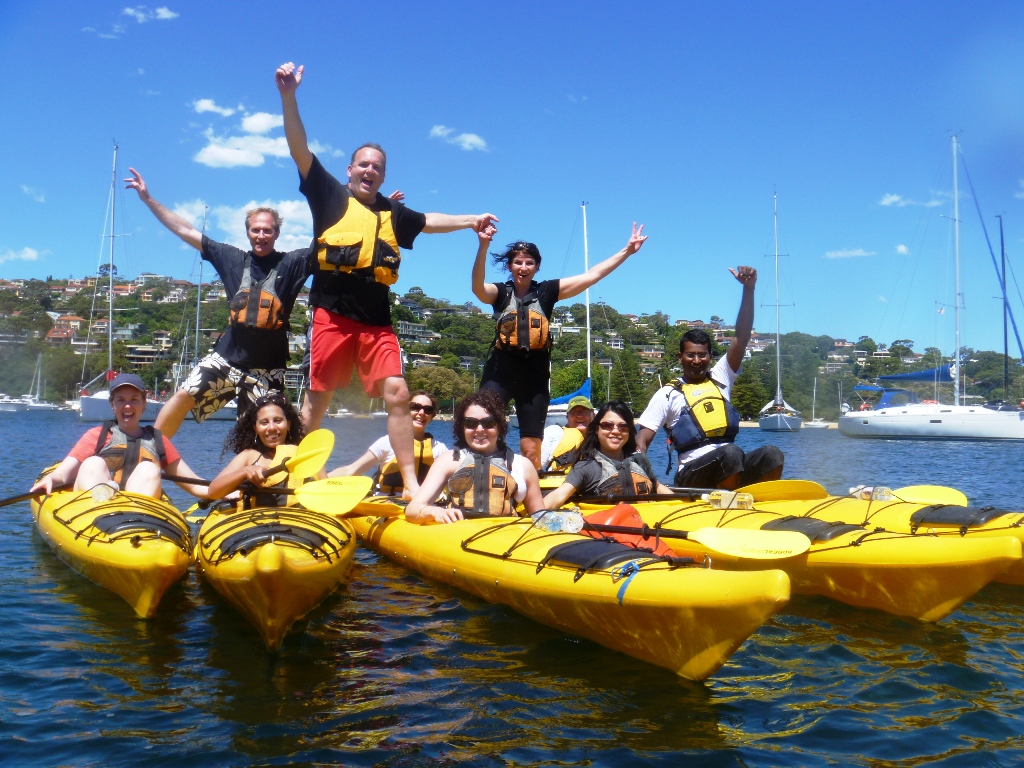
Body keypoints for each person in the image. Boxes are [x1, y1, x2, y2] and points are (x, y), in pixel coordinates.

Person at [276, 62, 497, 496]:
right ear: (350, 169)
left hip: (376, 321)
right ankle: (295, 474)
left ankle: (413, 486)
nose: (369, 171)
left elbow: (431, 220)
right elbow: (298, 147)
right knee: (316, 402)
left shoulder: (393, 213)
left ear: (383, 175)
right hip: (332, 315)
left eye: (377, 167)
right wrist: (289, 96)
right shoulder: (327, 193)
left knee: (398, 395)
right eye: (363, 164)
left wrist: (472, 219)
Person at [125, 169, 312, 436]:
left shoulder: (292, 263)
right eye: (255, 230)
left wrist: (370, 211)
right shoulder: (231, 258)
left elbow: (327, 241)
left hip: (267, 370)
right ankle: (150, 452)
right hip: (227, 360)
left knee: (259, 436)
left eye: (267, 231)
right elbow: (184, 230)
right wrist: (148, 199)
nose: (261, 235)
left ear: (277, 233)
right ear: (247, 232)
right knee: (182, 396)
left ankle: (255, 474)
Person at [472, 223, 648, 470]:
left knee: (531, 446)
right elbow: (478, 288)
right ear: (510, 266)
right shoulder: (500, 293)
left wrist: (627, 251)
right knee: (482, 425)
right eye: (518, 262)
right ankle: (478, 477)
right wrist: (483, 245)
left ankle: (529, 497)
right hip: (500, 371)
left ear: (537, 266)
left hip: (534, 375)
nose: (524, 268)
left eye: (529, 263)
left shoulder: (547, 291)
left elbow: (591, 276)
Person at [635, 266, 784, 490]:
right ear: (680, 357)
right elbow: (642, 439)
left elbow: (741, 338)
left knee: (772, 454)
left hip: (730, 463)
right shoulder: (667, 394)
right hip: (691, 475)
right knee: (731, 453)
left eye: (702, 355)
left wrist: (749, 289)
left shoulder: (721, 377)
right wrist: (640, 472)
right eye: (690, 355)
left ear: (710, 356)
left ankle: (761, 501)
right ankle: (727, 504)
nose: (696, 360)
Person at [29, 373, 206, 500]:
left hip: (136, 513)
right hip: (93, 509)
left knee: (149, 469)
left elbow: (193, 483)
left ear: (144, 403)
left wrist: (227, 491)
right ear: (112, 404)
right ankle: (106, 492)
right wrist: (51, 478)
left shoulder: (158, 441)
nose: (127, 406)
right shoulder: (97, 436)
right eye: (121, 400)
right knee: (93, 463)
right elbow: (64, 473)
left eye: (134, 399)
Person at [405, 389, 544, 524]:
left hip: (505, 538)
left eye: (488, 423)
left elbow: (540, 519)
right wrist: (435, 512)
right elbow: (412, 509)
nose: (479, 429)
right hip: (458, 537)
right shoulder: (449, 461)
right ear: (462, 427)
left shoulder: (522, 466)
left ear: (499, 427)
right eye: (471, 423)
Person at [543, 401, 672, 509]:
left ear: (629, 431)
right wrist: (536, 512)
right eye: (607, 426)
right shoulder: (586, 467)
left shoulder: (639, 460)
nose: (616, 431)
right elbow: (560, 495)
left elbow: (658, 487)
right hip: (609, 534)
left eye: (623, 427)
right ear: (596, 429)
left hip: (648, 526)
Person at [208, 392, 322, 507]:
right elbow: (213, 492)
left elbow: (324, 492)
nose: (272, 428)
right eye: (264, 422)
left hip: (297, 522)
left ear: (288, 424)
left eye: (278, 420)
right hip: (257, 522)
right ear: (256, 428)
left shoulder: (305, 455)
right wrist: (245, 471)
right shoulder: (249, 456)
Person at [328, 390, 448, 495]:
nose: (421, 412)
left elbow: (455, 480)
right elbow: (351, 470)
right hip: (387, 505)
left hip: (419, 506)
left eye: (427, 410)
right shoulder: (387, 442)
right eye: (415, 407)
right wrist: (320, 480)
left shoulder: (440, 449)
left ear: (431, 416)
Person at [539, 395, 595, 472]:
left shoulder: (602, 438)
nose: (579, 415)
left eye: (584, 411)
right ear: (567, 417)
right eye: (574, 412)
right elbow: (536, 466)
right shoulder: (553, 432)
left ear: (593, 415)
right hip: (558, 482)